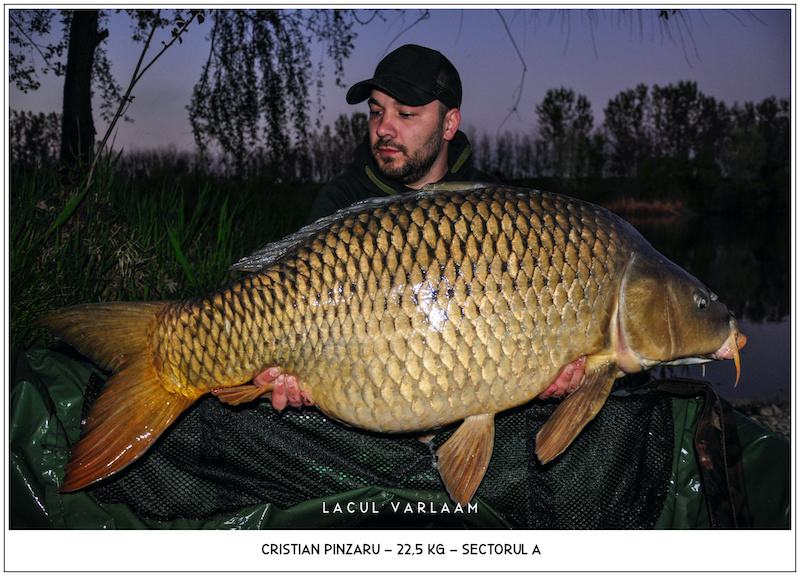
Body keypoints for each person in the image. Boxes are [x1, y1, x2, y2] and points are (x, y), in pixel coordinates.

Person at [256, 44, 585, 410]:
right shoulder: (341, 200)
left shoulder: (496, 209)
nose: (383, 128)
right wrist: (278, 374)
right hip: (367, 393)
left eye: (406, 114)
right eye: (376, 111)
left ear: (449, 124)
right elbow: (288, 306)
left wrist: (542, 368)